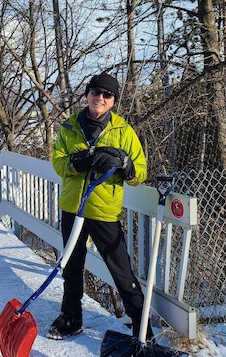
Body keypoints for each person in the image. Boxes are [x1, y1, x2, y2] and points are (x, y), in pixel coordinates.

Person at [49, 72, 152, 341]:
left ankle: (143, 329)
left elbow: (140, 173)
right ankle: (71, 317)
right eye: (96, 92)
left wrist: (127, 165)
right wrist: (78, 161)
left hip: (104, 212)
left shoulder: (123, 131)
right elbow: (58, 163)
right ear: (87, 95)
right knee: (71, 267)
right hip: (73, 209)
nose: (100, 98)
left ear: (113, 101)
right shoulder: (70, 127)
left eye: (107, 95)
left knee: (121, 271)